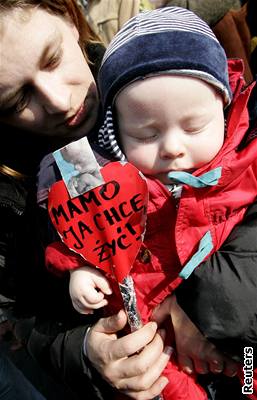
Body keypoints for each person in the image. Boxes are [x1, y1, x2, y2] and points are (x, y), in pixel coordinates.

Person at [45, 6, 257, 400]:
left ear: (224, 112)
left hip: (240, 335)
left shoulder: (244, 163)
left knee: (249, 376)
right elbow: (80, 229)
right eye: (146, 134)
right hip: (158, 344)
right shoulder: (102, 180)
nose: (174, 148)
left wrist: (204, 311)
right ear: (116, 134)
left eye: (194, 126)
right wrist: (81, 271)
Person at [0, 1, 174, 399]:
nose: (59, 101)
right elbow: (22, 313)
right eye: (17, 101)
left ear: (68, 16)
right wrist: (84, 352)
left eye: (53, 58)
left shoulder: (166, 72)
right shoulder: (12, 192)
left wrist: (220, 307)